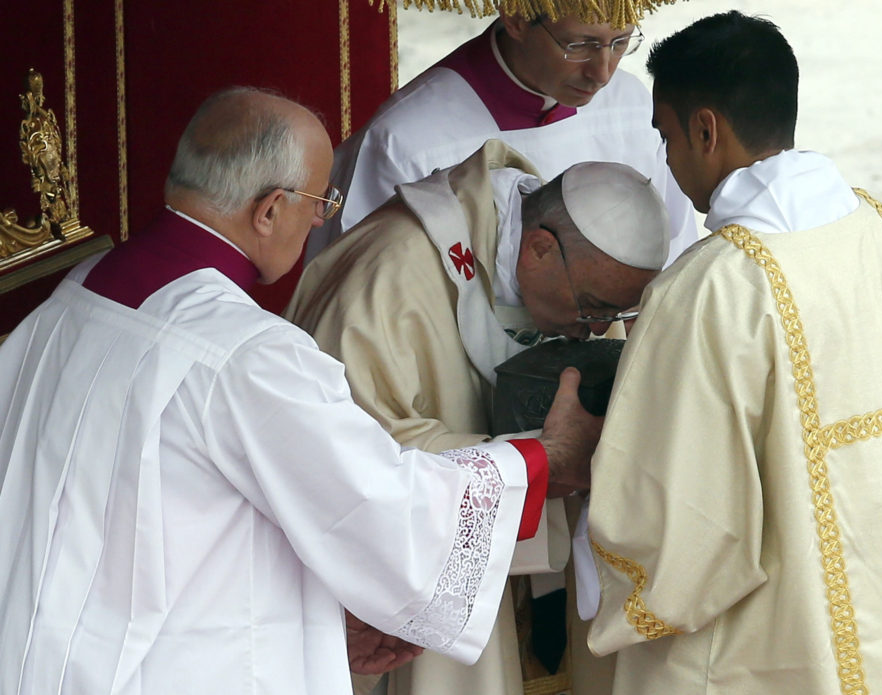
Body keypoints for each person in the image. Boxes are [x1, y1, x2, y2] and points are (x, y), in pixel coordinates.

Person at [0, 87, 603, 695]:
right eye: (320, 201)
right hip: (170, 666)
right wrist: (540, 461)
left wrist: (322, 620)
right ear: (269, 210)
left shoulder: (78, 295)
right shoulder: (242, 352)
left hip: (46, 648)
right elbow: (378, 506)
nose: (321, 219)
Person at [582, 11, 882, 695]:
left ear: (705, 129)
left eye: (665, 138)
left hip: (774, 656)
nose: (667, 162)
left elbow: (672, 540)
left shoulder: (707, 292)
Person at [284, 138, 670, 695]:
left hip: (531, 588)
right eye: (594, 309)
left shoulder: (582, 272)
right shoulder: (390, 270)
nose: (596, 328)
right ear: (538, 249)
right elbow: (344, 460)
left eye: (616, 314)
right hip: (413, 607)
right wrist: (538, 459)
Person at [303, 0, 697, 266]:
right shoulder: (406, 141)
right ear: (517, 20)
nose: (603, 72)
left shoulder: (632, 105)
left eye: (620, 43)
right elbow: (361, 300)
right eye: (580, 45)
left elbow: (675, 244)